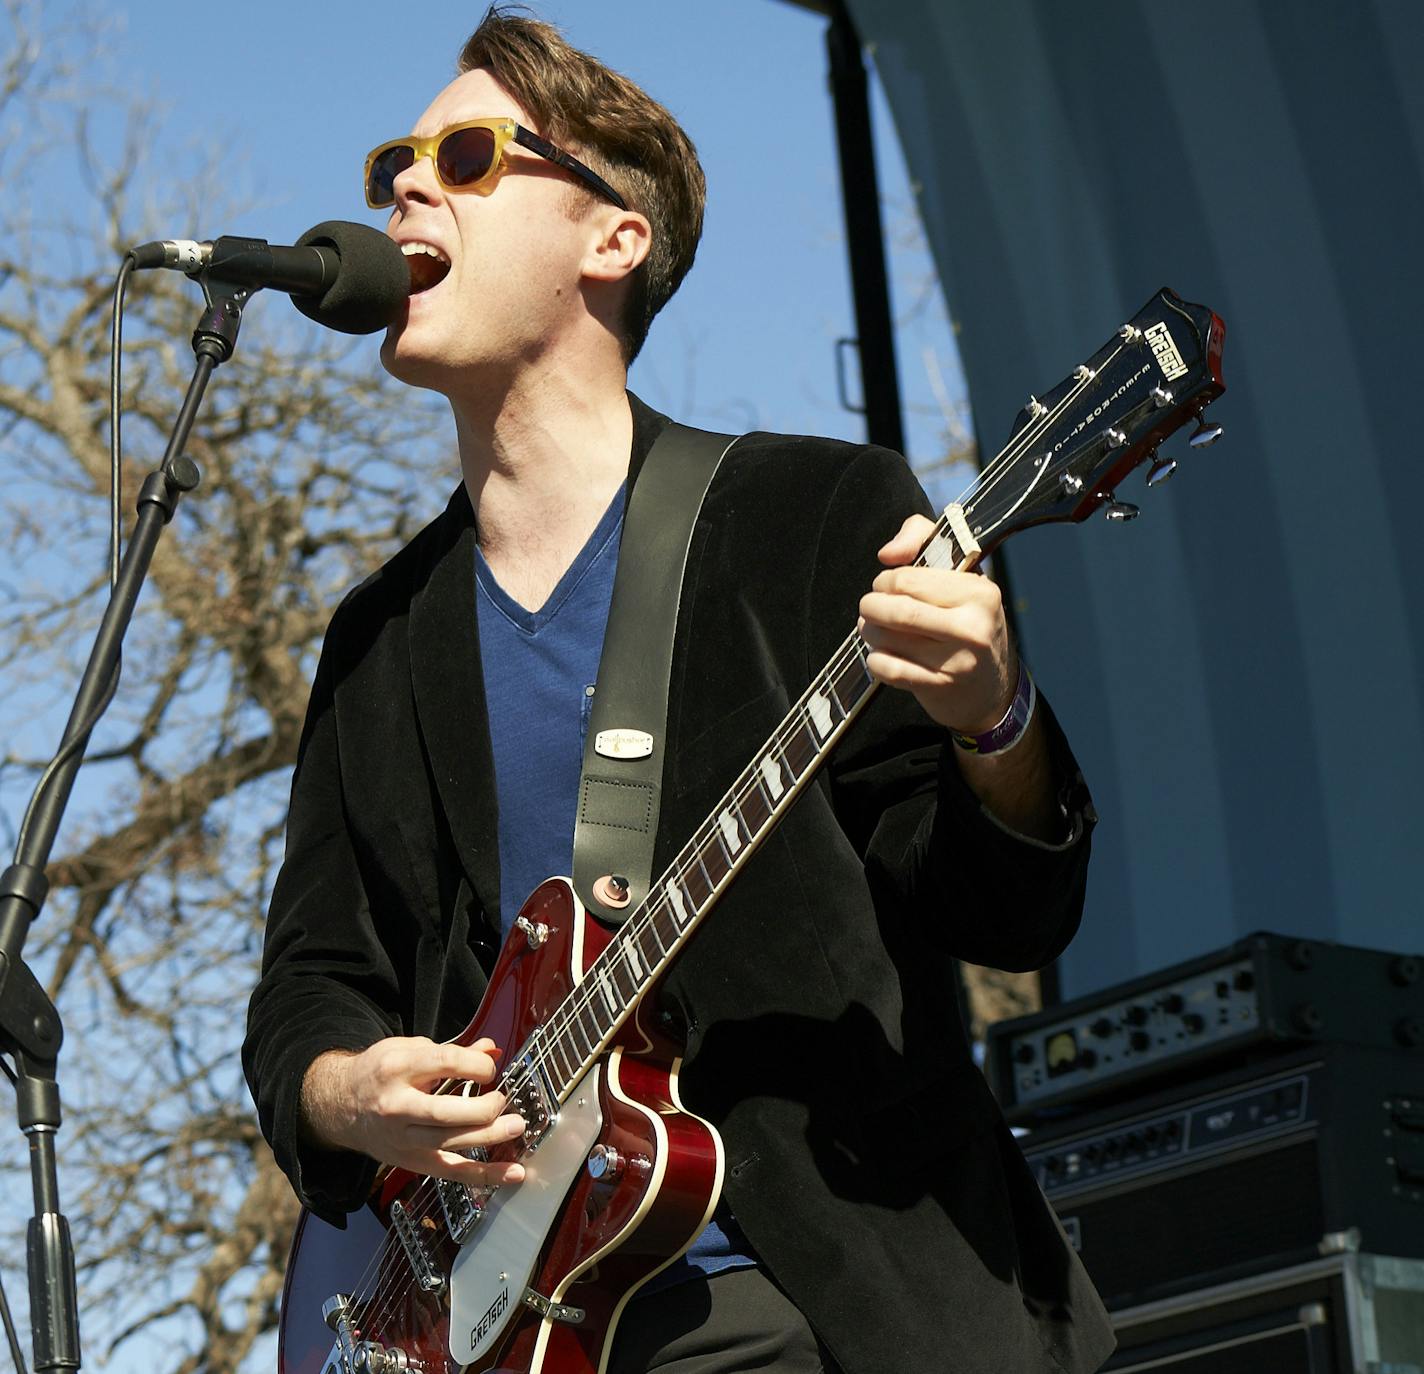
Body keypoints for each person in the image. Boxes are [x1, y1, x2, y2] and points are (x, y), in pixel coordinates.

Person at [243, 8, 1115, 1372]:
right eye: (392, 163)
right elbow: (313, 973)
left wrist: (992, 722)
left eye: (466, 155)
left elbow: (1003, 913)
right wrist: (344, 1090)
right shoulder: (379, 637)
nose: (405, 185)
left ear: (613, 238)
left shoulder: (814, 515)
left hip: (790, 1286)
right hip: (491, 1315)